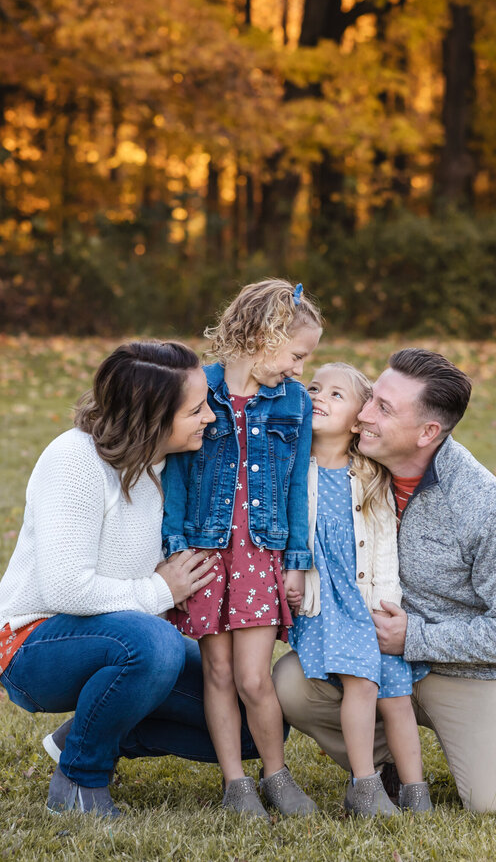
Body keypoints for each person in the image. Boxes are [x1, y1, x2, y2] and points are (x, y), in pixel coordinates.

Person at [0, 341, 261, 819]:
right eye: (195, 410)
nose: (210, 419)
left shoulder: (171, 463)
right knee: (151, 644)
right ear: (152, 417)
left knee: (251, 724)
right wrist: (160, 590)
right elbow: (65, 588)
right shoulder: (75, 460)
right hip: (33, 643)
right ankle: (79, 780)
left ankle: (91, 730)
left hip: (130, 636)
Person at [273, 348, 496, 814]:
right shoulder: (341, 462)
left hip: (461, 671)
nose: (363, 413)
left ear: (427, 433)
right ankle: (386, 766)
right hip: (365, 654)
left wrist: (415, 637)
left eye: (383, 408)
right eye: (370, 398)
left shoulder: (486, 506)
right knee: (291, 683)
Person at [162, 279, 322, 818]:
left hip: (259, 552)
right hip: (206, 553)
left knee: (254, 676)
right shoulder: (196, 389)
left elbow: (298, 484)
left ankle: (275, 774)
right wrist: (175, 545)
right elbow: (178, 473)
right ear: (264, 336)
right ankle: (235, 783)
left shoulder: (294, 403)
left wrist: (296, 561)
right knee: (219, 674)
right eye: (297, 355)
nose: (301, 369)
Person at [283, 363, 431, 817]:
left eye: (336, 394)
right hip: (325, 605)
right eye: (313, 388)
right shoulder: (293, 467)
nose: (319, 398)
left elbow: (387, 544)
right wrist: (292, 569)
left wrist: (386, 607)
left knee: (396, 698)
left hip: (369, 602)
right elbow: (285, 533)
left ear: (357, 420)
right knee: (363, 686)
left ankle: (414, 791)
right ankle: (365, 787)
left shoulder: (370, 474)